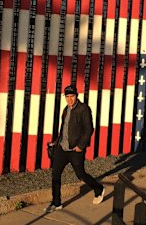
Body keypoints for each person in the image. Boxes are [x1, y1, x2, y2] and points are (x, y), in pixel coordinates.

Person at [45, 84, 105, 213]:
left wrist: (81, 146)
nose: (69, 99)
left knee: (80, 175)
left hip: (75, 149)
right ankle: (56, 203)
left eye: (72, 96)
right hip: (62, 147)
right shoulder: (65, 110)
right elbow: (63, 129)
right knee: (55, 174)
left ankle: (98, 188)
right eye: (67, 97)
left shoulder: (84, 109)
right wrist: (56, 142)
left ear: (76, 96)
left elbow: (89, 129)